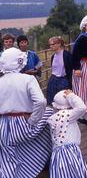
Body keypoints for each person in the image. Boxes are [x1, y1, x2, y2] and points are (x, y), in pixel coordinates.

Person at [0, 47, 53, 178]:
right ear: (20, 62)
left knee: (7, 159)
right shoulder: (28, 79)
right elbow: (41, 102)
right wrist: (33, 120)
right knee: (50, 113)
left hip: (3, 126)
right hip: (23, 124)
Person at [48, 89, 87, 178]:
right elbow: (81, 108)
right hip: (69, 152)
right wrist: (71, 96)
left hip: (57, 153)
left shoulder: (53, 117)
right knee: (75, 173)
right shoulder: (67, 115)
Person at [47, 36, 73, 105]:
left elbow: (70, 70)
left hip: (63, 81)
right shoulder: (53, 56)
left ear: (59, 44)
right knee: (52, 101)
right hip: (53, 80)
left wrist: (70, 84)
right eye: (50, 45)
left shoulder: (67, 55)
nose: (51, 46)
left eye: (53, 44)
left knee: (63, 102)